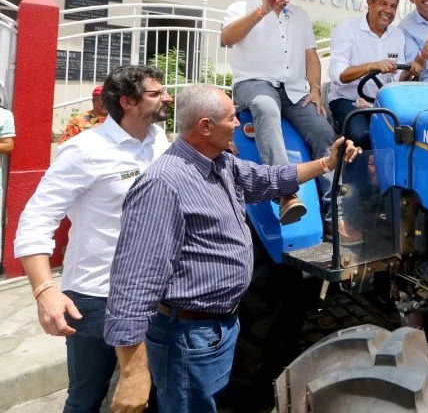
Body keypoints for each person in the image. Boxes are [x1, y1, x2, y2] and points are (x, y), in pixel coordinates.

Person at [103, 84, 360, 412]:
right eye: (231, 118)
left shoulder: (220, 164)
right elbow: (133, 282)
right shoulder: (164, 184)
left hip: (217, 328)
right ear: (205, 126)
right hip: (188, 336)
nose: (239, 124)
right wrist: (134, 374)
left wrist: (327, 162)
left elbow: (270, 179)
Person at [13, 65, 172, 413]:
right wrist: (44, 291)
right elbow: (36, 219)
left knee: (152, 395)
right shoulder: (85, 150)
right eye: (156, 93)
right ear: (128, 102)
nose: (167, 97)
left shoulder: (158, 140)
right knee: (88, 397)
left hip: (152, 294)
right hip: (98, 297)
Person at [221, 0, 336, 224]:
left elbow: (311, 56)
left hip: (294, 90)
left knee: (322, 128)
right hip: (254, 83)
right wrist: (262, 10)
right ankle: (286, 193)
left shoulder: (300, 15)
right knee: (265, 107)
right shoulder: (242, 7)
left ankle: (334, 210)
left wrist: (316, 89)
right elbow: (227, 38)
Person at [328, 0, 422, 147]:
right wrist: (371, 66)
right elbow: (338, 75)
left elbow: (397, 78)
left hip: (380, 103)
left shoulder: (397, 35)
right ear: (370, 3)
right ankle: (357, 171)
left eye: (393, 6)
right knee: (362, 136)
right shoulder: (347, 29)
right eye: (383, 4)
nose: (388, 10)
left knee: (407, 133)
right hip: (347, 100)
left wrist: (411, 68)